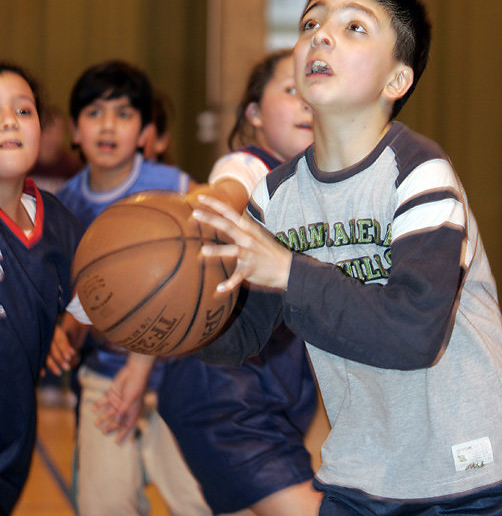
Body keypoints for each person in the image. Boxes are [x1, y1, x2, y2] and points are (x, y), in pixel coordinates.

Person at [189, 0, 502, 516]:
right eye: (310, 24)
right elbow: (242, 334)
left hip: (464, 466)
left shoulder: (420, 174)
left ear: (396, 80)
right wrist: (173, 313)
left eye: (354, 27)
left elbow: (413, 333)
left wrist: (287, 271)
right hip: (362, 468)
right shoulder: (275, 200)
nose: (320, 34)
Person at [94, 49, 323, 516]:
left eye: (315, 93)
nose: (307, 103)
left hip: (281, 389)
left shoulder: (329, 188)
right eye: (291, 90)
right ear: (253, 114)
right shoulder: (251, 167)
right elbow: (221, 198)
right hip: (221, 390)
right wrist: (211, 201)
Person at [46, 59, 210, 516]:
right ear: (75, 130)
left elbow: (202, 275)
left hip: (181, 375)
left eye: (123, 113)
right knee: (104, 504)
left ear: (144, 131)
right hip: (105, 377)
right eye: (95, 112)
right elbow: (83, 298)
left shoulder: (176, 188)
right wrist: (65, 334)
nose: (108, 125)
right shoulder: (66, 205)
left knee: (199, 502)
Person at [0, 62, 83, 514]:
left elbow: (93, 294)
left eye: (23, 110)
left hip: (15, 436)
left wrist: (63, 325)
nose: (9, 121)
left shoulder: (59, 221)